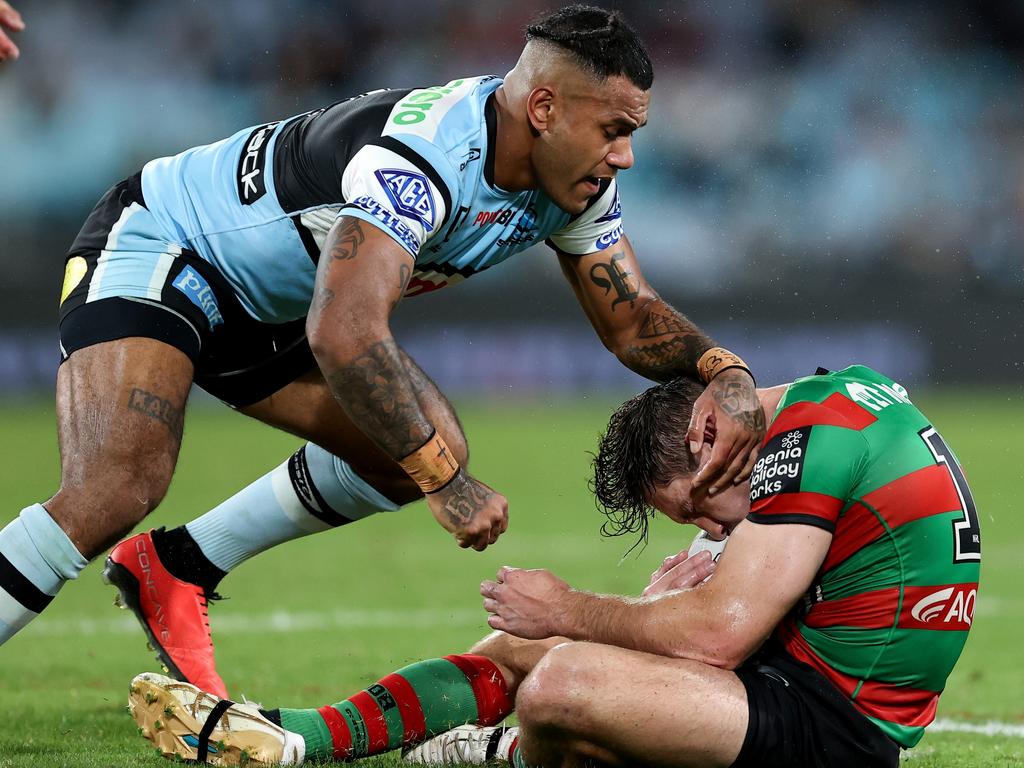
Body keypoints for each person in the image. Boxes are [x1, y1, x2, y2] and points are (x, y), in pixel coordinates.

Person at [0, 4, 764, 700]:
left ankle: (179, 566)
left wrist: (723, 371)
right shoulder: (421, 160)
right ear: (544, 108)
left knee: (426, 442)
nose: (625, 157)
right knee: (117, 485)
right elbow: (346, 333)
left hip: (266, 306)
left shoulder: (572, 181)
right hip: (167, 246)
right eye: (614, 130)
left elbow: (630, 321)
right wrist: (443, 483)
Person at [125, 365, 980, 767]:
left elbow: (719, 633)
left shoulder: (806, 444)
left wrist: (571, 607)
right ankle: (298, 739)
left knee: (565, 684)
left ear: (707, 439)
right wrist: (667, 598)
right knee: (524, 648)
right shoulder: (829, 400)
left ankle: (500, 755)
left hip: (836, 729)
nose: (712, 530)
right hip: (800, 672)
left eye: (697, 510)